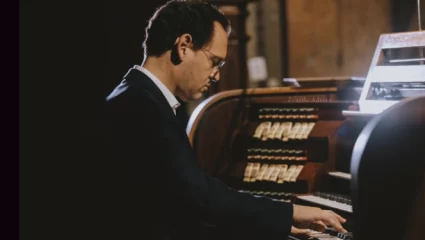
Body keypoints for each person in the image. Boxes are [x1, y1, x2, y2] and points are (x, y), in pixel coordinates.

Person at [102, 1, 348, 239]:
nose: (217, 76)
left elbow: (182, 200)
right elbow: (200, 198)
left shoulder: (136, 95)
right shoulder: (143, 106)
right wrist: (290, 213)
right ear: (184, 45)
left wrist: (269, 224)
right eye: (215, 62)